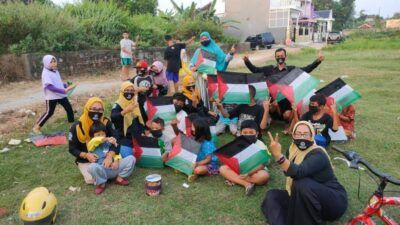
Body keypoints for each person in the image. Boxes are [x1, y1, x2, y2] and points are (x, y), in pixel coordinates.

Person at [261, 121, 347, 225]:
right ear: (293, 136)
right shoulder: (292, 151)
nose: (302, 137)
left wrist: (279, 156)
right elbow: (289, 171)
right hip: (306, 197)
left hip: (332, 202)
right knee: (272, 196)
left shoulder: (318, 154)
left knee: (301, 183)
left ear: (312, 136)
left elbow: (298, 172)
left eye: (305, 134)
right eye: (298, 134)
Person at [243, 48, 325, 125]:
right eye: (278, 56)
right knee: (272, 106)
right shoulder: (269, 69)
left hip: (286, 100)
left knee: (287, 115)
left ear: (285, 56)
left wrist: (317, 61)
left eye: (282, 56)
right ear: (275, 57)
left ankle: (287, 121)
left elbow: (306, 69)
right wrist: (247, 61)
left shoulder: (291, 69)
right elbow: (255, 70)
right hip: (274, 100)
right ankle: (271, 118)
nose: (280, 58)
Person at [68, 97, 135, 189]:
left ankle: (109, 175)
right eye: (93, 109)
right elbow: (72, 149)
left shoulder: (105, 122)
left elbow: (117, 140)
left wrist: (110, 156)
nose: (96, 112)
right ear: (87, 108)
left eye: (100, 109)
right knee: (91, 179)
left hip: (107, 154)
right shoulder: (76, 126)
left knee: (128, 158)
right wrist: (86, 155)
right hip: (87, 160)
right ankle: (105, 176)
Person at [219, 120, 271, 196]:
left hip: (255, 170)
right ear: (240, 133)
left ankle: (234, 179)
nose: (248, 135)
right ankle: (247, 184)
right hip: (240, 169)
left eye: (251, 132)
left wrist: (249, 173)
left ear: (256, 134)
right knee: (222, 169)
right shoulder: (238, 143)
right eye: (245, 133)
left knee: (264, 176)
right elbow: (233, 158)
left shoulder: (260, 145)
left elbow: (262, 165)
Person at [190, 31, 235, 108]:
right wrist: (192, 67)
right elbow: (192, 63)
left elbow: (225, 60)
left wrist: (231, 53)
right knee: (203, 95)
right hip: (201, 78)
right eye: (202, 39)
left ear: (209, 38)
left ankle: (216, 112)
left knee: (213, 95)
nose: (204, 40)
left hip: (213, 76)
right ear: (200, 40)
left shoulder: (216, 49)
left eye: (206, 38)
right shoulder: (199, 50)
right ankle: (205, 111)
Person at [86, 122, 134, 195]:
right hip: (102, 169)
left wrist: (116, 160)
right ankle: (101, 183)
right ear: (92, 136)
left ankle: (119, 178)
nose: (101, 136)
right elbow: (95, 141)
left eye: (103, 134)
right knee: (91, 167)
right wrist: (105, 138)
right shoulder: (91, 145)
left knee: (131, 158)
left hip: (114, 168)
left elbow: (117, 153)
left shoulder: (109, 143)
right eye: (98, 135)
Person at [33, 55, 76, 134]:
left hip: (60, 95)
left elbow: (57, 83)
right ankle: (37, 127)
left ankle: (72, 125)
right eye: (51, 62)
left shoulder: (55, 71)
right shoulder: (45, 73)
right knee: (49, 112)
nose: (53, 64)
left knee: (69, 108)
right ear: (46, 63)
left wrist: (66, 85)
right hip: (52, 97)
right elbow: (50, 87)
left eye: (54, 61)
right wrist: (64, 90)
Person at [110, 81, 145, 156]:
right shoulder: (118, 105)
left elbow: (140, 119)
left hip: (136, 136)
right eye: (127, 90)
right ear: (122, 91)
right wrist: (125, 111)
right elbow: (113, 117)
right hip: (124, 137)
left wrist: (142, 131)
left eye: (132, 91)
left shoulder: (134, 103)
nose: (129, 93)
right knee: (127, 155)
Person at [189, 117, 219, 182]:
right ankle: (193, 172)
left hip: (210, 163)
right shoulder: (194, 138)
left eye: (193, 127)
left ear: (200, 129)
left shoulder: (207, 143)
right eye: (192, 126)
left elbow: (208, 159)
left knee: (198, 170)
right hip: (199, 161)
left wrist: (197, 163)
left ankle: (196, 173)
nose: (191, 128)